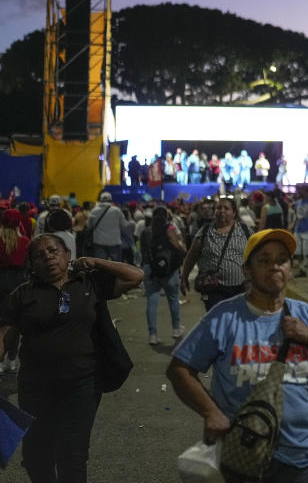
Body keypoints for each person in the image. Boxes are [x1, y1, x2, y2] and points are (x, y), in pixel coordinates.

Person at [167, 229, 308, 482]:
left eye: (281, 260)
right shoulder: (225, 317)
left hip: (301, 459)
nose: (274, 267)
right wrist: (211, 412)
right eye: (264, 261)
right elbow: (179, 369)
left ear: (290, 268)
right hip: (242, 453)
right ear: (247, 271)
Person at [0, 235, 143, 482]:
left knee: (72, 455)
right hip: (36, 387)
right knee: (36, 457)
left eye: (53, 251)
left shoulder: (89, 284)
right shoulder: (22, 295)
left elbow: (135, 276)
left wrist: (96, 261)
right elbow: (4, 337)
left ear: (67, 255)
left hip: (82, 384)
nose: (48, 258)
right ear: (32, 264)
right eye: (39, 256)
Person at [180, 197, 252, 312]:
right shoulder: (205, 231)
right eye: (219, 208)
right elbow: (192, 256)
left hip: (240, 289)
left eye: (226, 208)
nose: (221, 211)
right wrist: (184, 277)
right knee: (217, 322)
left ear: (234, 213)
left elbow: (255, 257)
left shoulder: (245, 231)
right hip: (213, 289)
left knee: (236, 322)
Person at [141, 205, 187, 345]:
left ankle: (153, 335)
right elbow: (179, 246)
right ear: (166, 216)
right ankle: (175, 328)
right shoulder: (170, 228)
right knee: (173, 299)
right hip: (169, 270)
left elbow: (142, 252)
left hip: (150, 269)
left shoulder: (146, 231)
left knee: (152, 301)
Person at [0, 209, 30, 373]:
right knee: (15, 322)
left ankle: (0, 359)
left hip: (1, 280)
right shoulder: (25, 241)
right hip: (19, 282)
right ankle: (12, 358)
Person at [85, 191, 129, 262]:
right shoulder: (117, 211)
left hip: (99, 242)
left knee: (101, 266)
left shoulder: (94, 211)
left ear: (100, 200)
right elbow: (124, 224)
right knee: (116, 266)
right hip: (114, 242)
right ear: (111, 200)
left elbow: (89, 226)